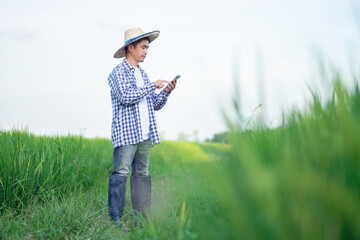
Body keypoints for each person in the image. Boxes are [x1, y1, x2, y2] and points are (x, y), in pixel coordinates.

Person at [107, 27, 177, 225]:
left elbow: (153, 104)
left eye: (147, 48)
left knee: (142, 175)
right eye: (143, 47)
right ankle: (116, 221)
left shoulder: (144, 75)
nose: (146, 51)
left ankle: (142, 218)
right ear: (131, 47)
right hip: (126, 135)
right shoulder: (118, 72)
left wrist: (166, 92)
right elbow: (126, 96)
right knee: (121, 173)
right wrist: (151, 86)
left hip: (145, 134)